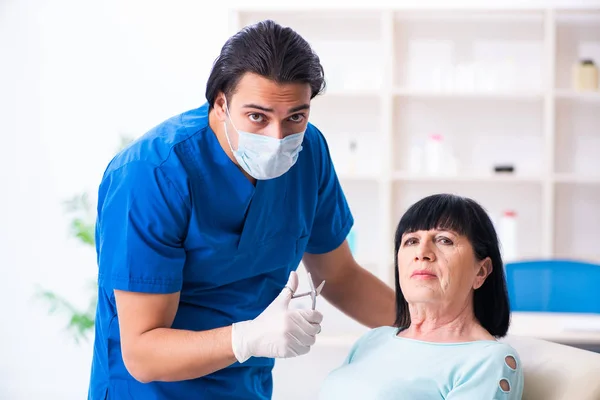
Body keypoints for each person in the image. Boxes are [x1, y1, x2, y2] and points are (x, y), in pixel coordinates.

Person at [87, 19, 396, 400]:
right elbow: (143, 354)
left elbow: (342, 276)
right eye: (257, 117)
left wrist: (439, 328)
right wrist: (247, 337)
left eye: (295, 117)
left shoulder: (308, 153)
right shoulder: (152, 174)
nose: (277, 137)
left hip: (245, 388)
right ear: (220, 104)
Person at [318, 193, 524, 399]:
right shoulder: (373, 339)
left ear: (481, 271)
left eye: (444, 240)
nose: (422, 252)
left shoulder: (488, 360)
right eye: (411, 241)